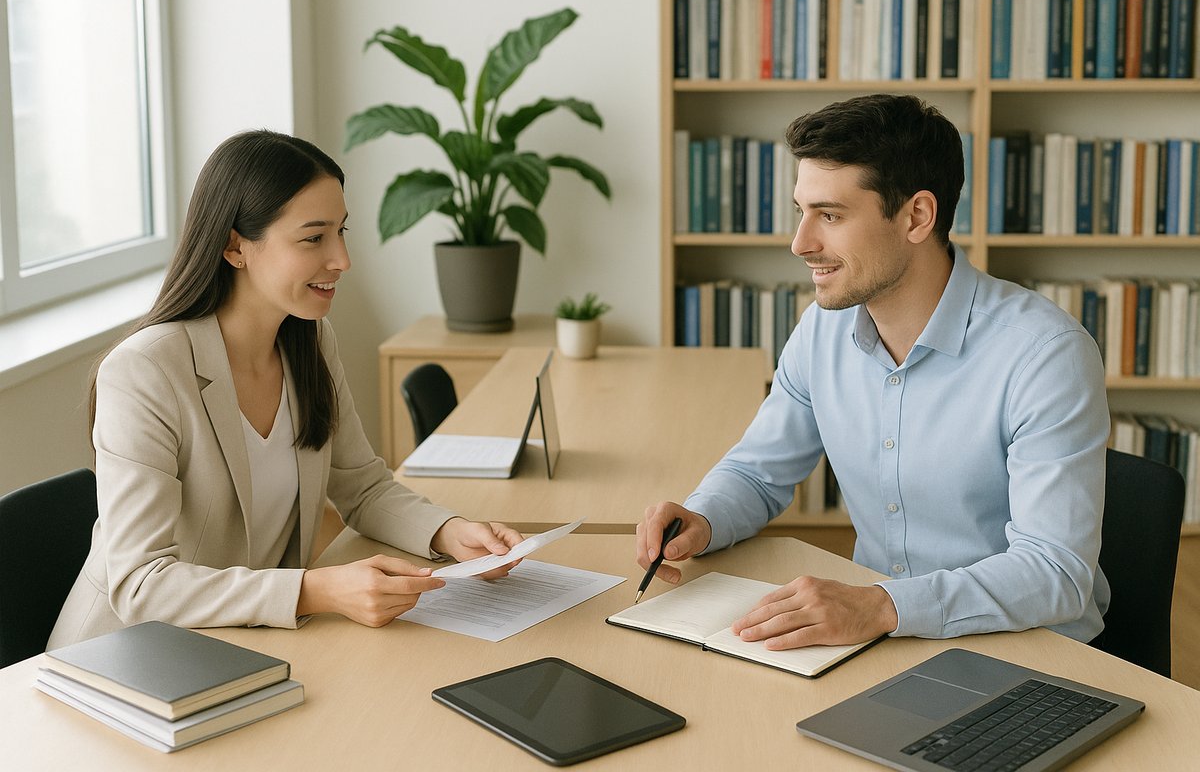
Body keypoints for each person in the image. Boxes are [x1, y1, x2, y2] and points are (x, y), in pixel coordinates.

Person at [636, 94, 1110, 651]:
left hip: (1025, 649)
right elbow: (758, 473)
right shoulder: (822, 330)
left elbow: (1056, 573)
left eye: (830, 216)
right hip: (879, 636)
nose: (801, 243)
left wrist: (882, 605)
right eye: (801, 211)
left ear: (917, 217)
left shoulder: (1045, 354)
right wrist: (702, 518)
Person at [49, 130, 523, 649]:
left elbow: (362, 487)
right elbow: (141, 584)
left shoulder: (310, 341)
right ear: (235, 246)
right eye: (313, 238)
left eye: (342, 232)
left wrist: (449, 532)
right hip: (125, 657)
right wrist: (314, 590)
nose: (341, 259)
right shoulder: (145, 372)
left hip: (243, 645)